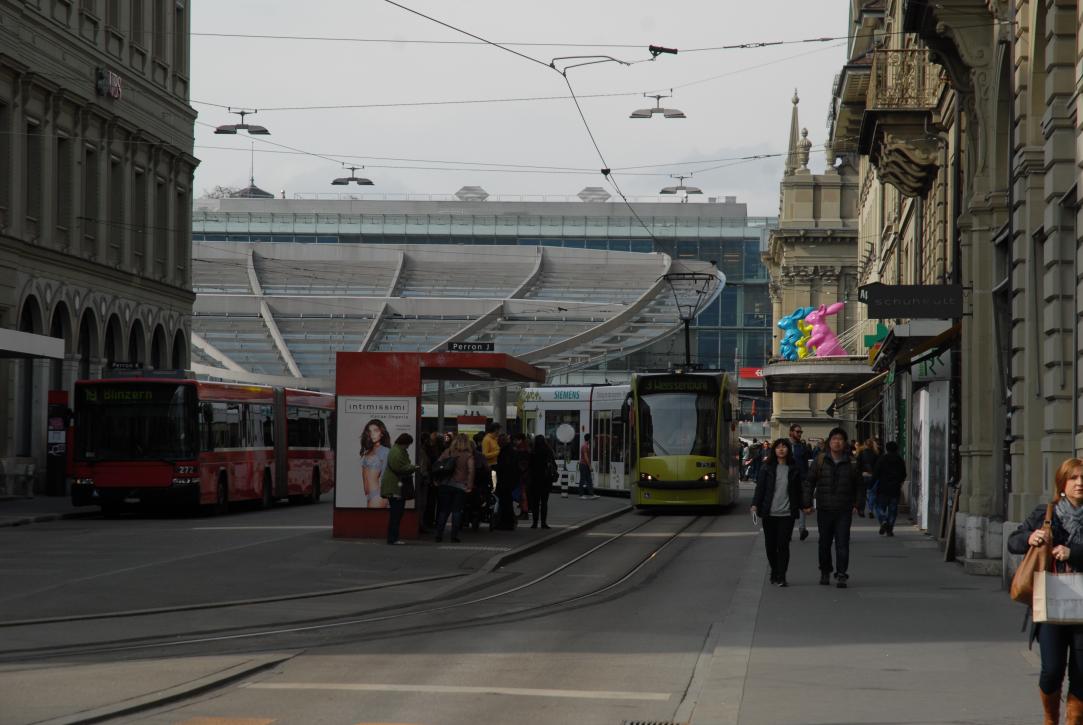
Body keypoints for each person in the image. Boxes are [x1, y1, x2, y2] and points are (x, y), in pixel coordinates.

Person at [1007, 458, 1083, 725]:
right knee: (1051, 670)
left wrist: (1074, 553)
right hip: (1049, 602)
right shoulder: (1046, 513)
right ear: (1062, 483)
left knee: (1082, 673)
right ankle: (1050, 718)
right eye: (1073, 478)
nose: (1080, 483)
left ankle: (1074, 720)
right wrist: (1030, 538)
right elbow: (1013, 541)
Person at [802, 427, 863, 588]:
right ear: (830, 442)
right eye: (834, 439)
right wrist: (806, 503)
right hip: (824, 509)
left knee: (842, 543)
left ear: (844, 443)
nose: (837, 442)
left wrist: (858, 505)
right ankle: (825, 570)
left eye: (840, 439)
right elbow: (809, 482)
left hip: (844, 510)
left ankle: (842, 573)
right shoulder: (820, 460)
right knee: (824, 543)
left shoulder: (852, 462)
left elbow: (859, 486)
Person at [751, 438, 803, 587]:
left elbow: (798, 490)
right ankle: (775, 570)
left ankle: (781, 575)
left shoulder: (793, 468)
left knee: (783, 545)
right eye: (778, 447)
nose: (781, 449)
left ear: (788, 450)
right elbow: (760, 488)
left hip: (787, 514)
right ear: (774, 450)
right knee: (770, 546)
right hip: (769, 513)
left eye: (784, 447)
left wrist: (805, 505)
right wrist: (755, 504)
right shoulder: (766, 467)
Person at [434, 433, 475, 543]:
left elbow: (437, 465)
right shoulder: (468, 455)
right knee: (457, 511)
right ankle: (454, 536)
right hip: (460, 486)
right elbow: (471, 471)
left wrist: (437, 480)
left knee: (443, 511)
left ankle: (439, 535)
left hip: (445, 484)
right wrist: (469, 485)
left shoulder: (448, 452)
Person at [380, 433, 418, 545]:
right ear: (404, 443)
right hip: (395, 486)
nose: (408, 447)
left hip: (395, 485)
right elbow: (399, 467)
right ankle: (393, 539)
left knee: (396, 513)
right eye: (408, 444)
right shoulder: (397, 452)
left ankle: (393, 538)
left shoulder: (396, 450)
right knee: (396, 514)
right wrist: (413, 467)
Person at [872, 441, 906, 536]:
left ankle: (883, 520)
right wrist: (899, 481)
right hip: (895, 488)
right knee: (893, 510)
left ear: (886, 448)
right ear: (897, 449)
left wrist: (871, 484)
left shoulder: (882, 459)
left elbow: (876, 473)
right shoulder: (900, 460)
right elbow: (903, 474)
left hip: (883, 487)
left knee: (879, 507)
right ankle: (890, 528)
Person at [360, 419, 391, 509]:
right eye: (370, 431)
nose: (372, 434)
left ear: (382, 433)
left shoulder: (385, 451)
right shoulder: (368, 451)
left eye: (376, 430)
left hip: (378, 495)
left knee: (372, 522)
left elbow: (386, 476)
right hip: (370, 495)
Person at [788, 423, 811, 541]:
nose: (800, 434)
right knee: (790, 506)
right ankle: (788, 531)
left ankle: (802, 529)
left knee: (802, 505)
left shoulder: (802, 447)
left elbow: (805, 464)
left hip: (801, 479)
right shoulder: (785, 446)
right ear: (791, 432)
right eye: (798, 432)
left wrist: (807, 478)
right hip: (789, 480)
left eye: (801, 432)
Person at [529, 434, 557, 529]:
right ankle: (543, 523)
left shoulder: (533, 452)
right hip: (546, 480)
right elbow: (554, 465)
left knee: (535, 503)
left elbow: (529, 467)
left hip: (535, 480)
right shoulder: (548, 451)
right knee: (544, 502)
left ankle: (534, 522)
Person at [494, 433, 518, 530]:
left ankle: (506, 523)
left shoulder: (505, 452)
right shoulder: (510, 450)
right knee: (507, 502)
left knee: (505, 502)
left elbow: (504, 466)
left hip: (504, 481)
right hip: (509, 480)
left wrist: (496, 468)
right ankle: (508, 522)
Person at [858, 437, 881, 518]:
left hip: (863, 475)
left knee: (863, 493)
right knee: (872, 493)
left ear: (865, 445)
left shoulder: (861, 453)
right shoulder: (876, 454)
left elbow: (858, 465)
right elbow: (878, 466)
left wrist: (861, 472)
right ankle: (870, 510)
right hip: (873, 476)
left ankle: (862, 510)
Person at [579, 433, 597, 499]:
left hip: (584, 465)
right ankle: (581, 495)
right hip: (583, 465)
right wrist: (590, 466)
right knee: (583, 480)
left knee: (589, 479)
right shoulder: (585, 446)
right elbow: (586, 457)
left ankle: (592, 494)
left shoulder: (586, 445)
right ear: (589, 439)